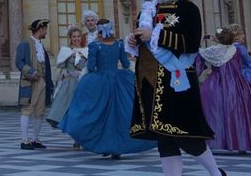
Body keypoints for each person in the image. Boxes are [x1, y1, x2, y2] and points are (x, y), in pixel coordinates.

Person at [128, 0, 230, 176]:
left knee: (187, 138)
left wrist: (156, 35)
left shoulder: (186, 8)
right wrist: (135, 41)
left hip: (177, 82)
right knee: (165, 139)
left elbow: (192, 43)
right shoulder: (146, 11)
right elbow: (146, 46)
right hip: (150, 83)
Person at [61, 20, 156, 158]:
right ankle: (115, 148)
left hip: (99, 82)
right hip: (118, 81)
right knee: (119, 115)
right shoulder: (118, 44)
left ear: (99, 31)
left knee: (100, 114)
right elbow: (124, 63)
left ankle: (104, 145)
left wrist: (84, 75)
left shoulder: (95, 45)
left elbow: (92, 66)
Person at [196, 27, 251, 153]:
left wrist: (202, 40)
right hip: (237, 84)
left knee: (215, 112)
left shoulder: (212, 51)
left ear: (218, 39)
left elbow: (198, 55)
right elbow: (249, 64)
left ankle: (216, 141)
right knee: (239, 113)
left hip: (215, 85)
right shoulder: (237, 50)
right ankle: (242, 142)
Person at [16, 18, 53, 150]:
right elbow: (19, 63)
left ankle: (35, 139)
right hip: (30, 82)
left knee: (39, 111)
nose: (46, 31)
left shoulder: (41, 45)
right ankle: (24, 140)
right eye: (45, 29)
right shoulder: (25, 44)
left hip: (42, 81)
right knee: (27, 110)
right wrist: (32, 72)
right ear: (40, 29)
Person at [46, 26, 88, 132]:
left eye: (78, 36)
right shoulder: (66, 51)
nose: (76, 39)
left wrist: (83, 73)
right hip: (70, 83)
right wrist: (68, 72)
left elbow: (90, 67)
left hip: (84, 83)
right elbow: (60, 68)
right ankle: (75, 136)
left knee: (82, 110)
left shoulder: (87, 51)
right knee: (70, 109)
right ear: (70, 38)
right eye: (74, 37)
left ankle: (80, 136)